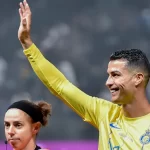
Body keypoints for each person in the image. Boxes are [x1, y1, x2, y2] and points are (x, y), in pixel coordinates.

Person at [18, 0, 150, 149]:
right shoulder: (105, 114)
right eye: (108, 75)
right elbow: (60, 85)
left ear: (138, 78)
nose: (108, 82)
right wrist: (27, 43)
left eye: (116, 75)